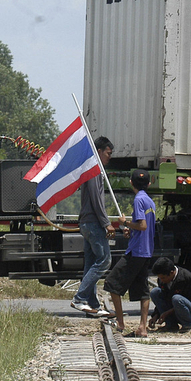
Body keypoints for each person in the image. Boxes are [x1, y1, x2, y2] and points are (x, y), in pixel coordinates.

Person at [104, 169, 156, 337]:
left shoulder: (138, 200)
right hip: (146, 250)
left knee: (112, 283)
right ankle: (142, 327)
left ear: (131, 183)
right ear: (149, 184)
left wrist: (124, 222)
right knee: (143, 290)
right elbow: (142, 227)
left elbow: (142, 225)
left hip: (136, 251)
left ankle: (119, 322)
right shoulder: (150, 201)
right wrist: (130, 230)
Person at [71, 136, 116, 317]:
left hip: (88, 222)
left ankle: (92, 304)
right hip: (93, 223)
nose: (109, 157)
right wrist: (106, 223)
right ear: (99, 151)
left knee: (91, 264)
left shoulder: (93, 169)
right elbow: (96, 200)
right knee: (104, 261)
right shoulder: (94, 170)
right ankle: (80, 298)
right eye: (108, 153)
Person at [149, 257, 191, 332]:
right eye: (160, 278)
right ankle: (171, 324)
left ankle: (188, 324)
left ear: (172, 272)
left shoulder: (186, 277)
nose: (162, 280)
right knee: (155, 292)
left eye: (163, 278)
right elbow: (164, 298)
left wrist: (167, 313)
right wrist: (156, 315)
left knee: (177, 299)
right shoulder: (162, 281)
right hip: (174, 311)